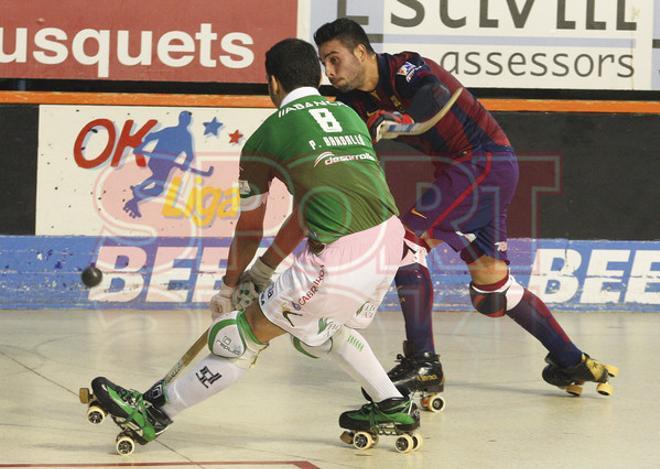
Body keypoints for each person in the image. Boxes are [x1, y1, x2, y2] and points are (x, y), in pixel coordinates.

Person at [89, 38, 421, 450]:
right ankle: (391, 402)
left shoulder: (266, 137)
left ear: (273, 83)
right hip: (390, 240)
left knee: (239, 337)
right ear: (316, 77)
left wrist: (231, 285)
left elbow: (250, 226)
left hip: (341, 252)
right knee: (322, 326)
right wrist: (264, 271)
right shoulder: (348, 115)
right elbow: (308, 210)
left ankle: (155, 412)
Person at [313, 18, 617, 399]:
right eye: (323, 62)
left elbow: (432, 94)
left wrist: (403, 121)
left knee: (404, 243)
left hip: (482, 163)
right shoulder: (354, 102)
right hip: (470, 171)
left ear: (361, 52)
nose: (329, 70)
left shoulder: (405, 67)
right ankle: (570, 361)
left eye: (334, 59)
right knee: (493, 289)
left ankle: (424, 363)